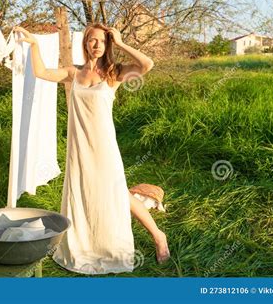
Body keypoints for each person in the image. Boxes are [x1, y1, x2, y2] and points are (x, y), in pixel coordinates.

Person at [13, 23, 170, 274]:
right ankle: (88, 245)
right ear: (85, 43)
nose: (96, 45)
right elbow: (41, 72)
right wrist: (34, 44)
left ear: (107, 45)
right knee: (83, 193)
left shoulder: (114, 73)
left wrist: (120, 42)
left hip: (104, 145)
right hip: (78, 146)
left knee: (118, 194)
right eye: (91, 40)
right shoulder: (72, 72)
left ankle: (158, 235)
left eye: (102, 41)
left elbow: (147, 65)